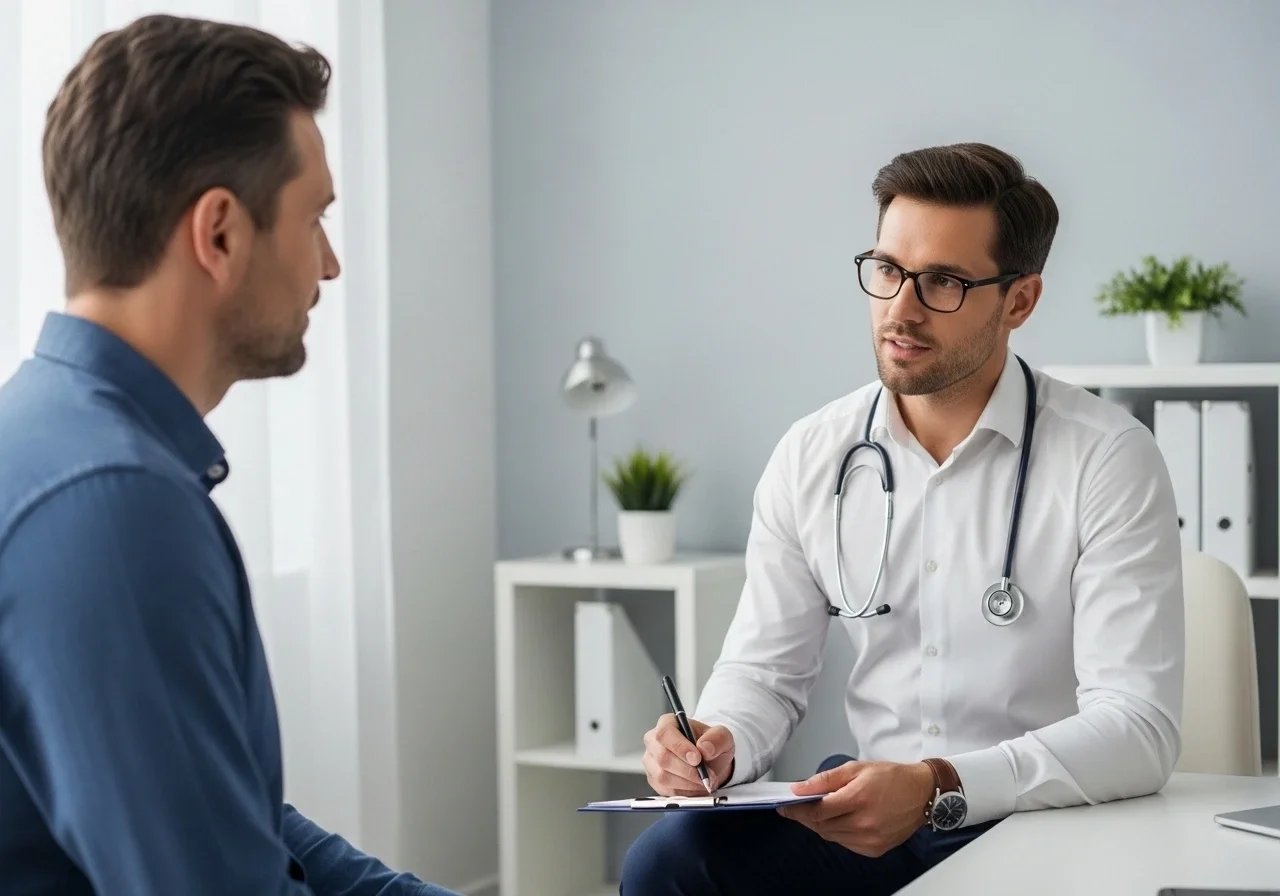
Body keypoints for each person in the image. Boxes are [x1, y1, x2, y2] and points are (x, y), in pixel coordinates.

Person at [621, 142, 1184, 894]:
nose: (901, 309)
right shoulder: (813, 454)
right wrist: (719, 742)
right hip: (867, 819)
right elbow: (766, 672)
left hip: (1039, 818)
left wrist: (935, 784)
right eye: (887, 270)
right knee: (668, 862)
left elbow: (1138, 729)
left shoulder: (1107, 458)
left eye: (943, 281)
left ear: (1019, 300)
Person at [0, 14, 457, 895]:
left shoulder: (59, 441)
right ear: (219, 233)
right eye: (315, 218)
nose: (328, 264)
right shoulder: (114, 506)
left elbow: (232, 815)